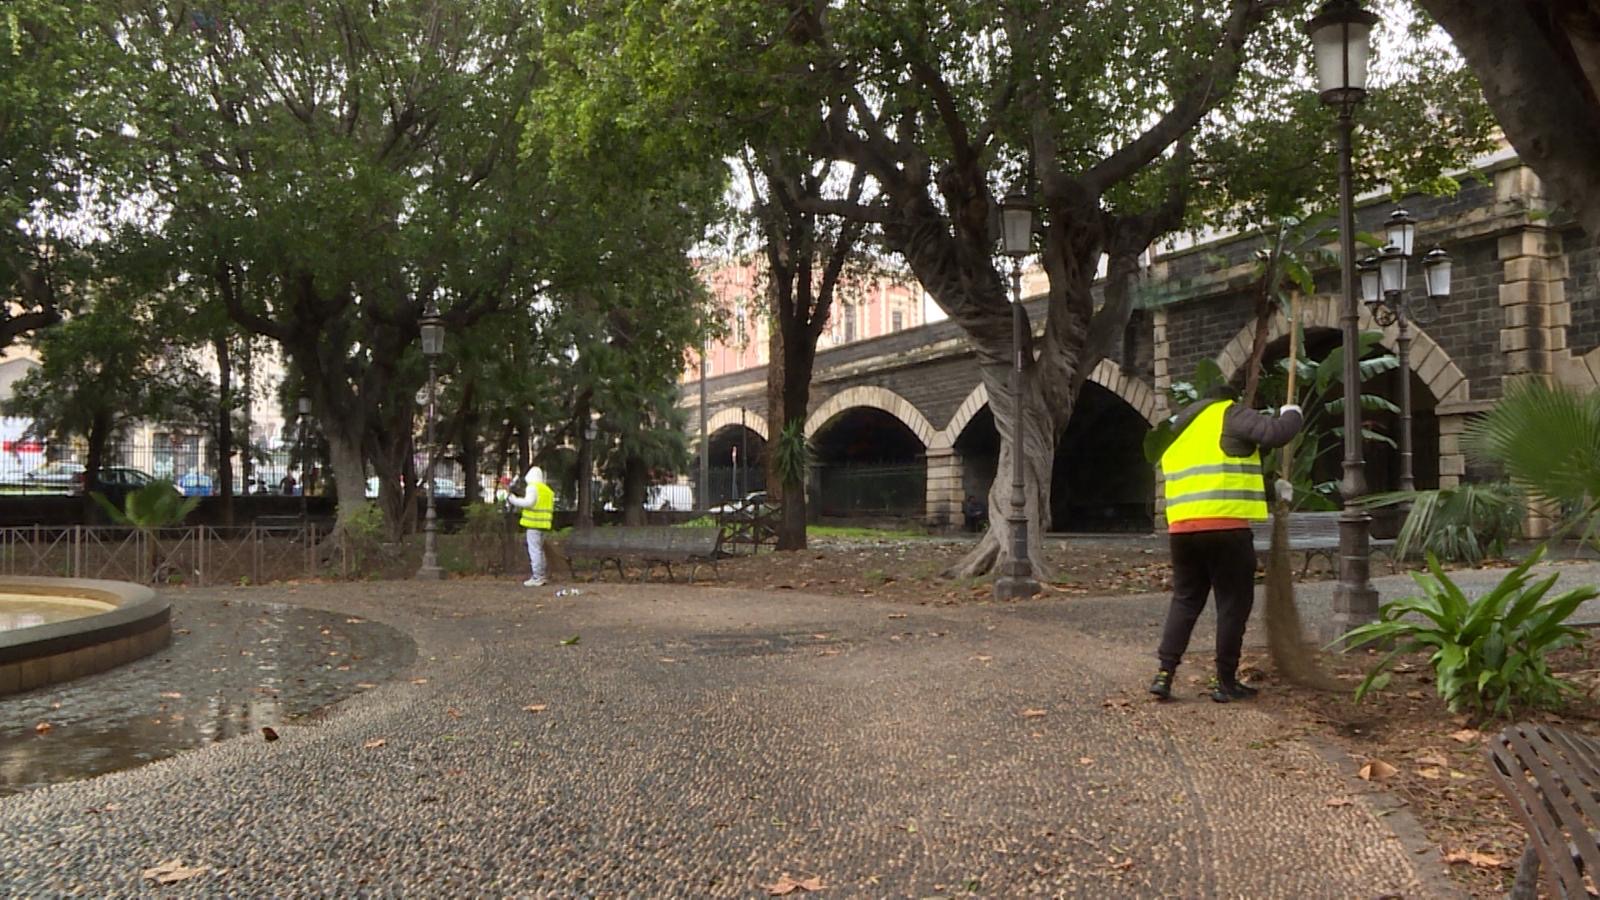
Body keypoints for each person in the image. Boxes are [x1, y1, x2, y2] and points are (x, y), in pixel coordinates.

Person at [1150, 385, 1302, 704]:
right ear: (1230, 398)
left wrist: (1272, 489)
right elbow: (1274, 433)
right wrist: (1292, 415)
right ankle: (1225, 681)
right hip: (1226, 528)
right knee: (1233, 604)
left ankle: (1164, 673)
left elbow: (1219, 469)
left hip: (1182, 529)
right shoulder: (1229, 413)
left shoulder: (1179, 427)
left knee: (1186, 601)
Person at [508, 466, 555, 587]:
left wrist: (514, 500)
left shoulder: (533, 487)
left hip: (533, 524)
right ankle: (541, 576)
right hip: (544, 524)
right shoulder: (547, 490)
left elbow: (529, 503)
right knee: (539, 550)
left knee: (534, 551)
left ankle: (537, 577)